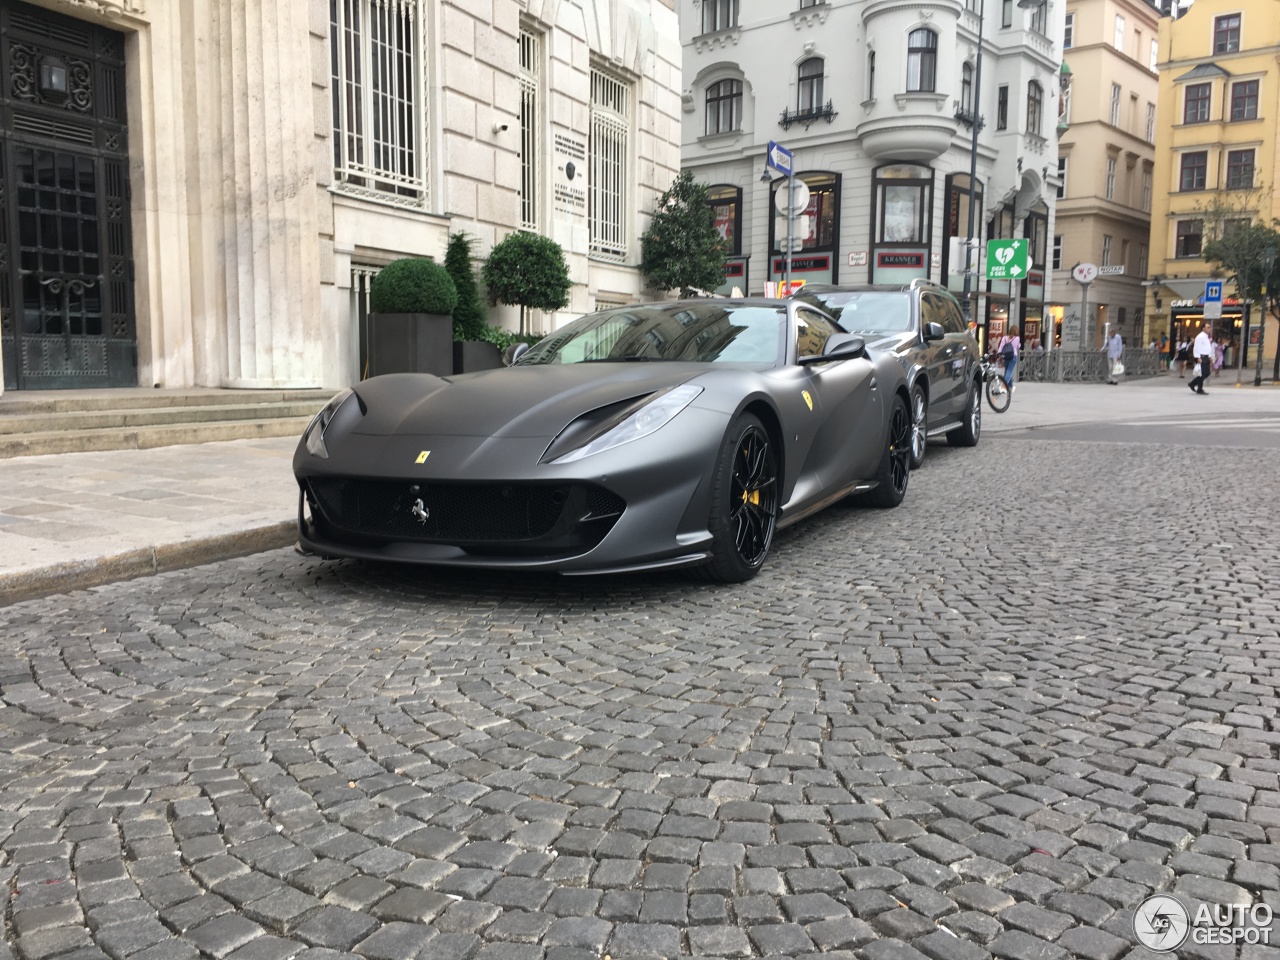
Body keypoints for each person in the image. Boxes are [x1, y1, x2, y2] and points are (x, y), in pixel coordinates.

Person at [1188, 321, 1213, 394]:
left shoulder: (1206, 337)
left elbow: (1207, 347)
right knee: (1202, 373)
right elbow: (1196, 347)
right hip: (1201, 356)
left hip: (1206, 356)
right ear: (1203, 328)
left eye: (1210, 327)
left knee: (1207, 373)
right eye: (1208, 327)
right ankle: (1199, 388)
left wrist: (1210, 356)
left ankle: (1193, 383)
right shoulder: (1200, 336)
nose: (1209, 329)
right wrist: (1198, 357)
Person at [996, 324, 1020, 390]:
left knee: (1007, 371)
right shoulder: (1017, 338)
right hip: (1013, 356)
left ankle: (1011, 386)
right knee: (1009, 371)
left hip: (1005, 356)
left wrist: (999, 353)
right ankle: (1004, 385)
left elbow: (1001, 346)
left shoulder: (1004, 338)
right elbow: (1018, 346)